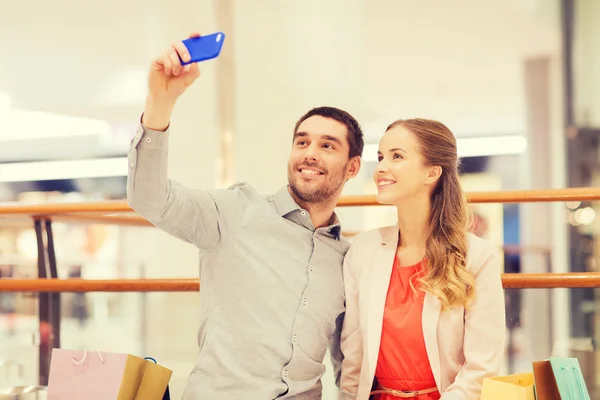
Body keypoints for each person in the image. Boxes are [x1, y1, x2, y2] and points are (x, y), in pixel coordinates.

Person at [127, 32, 364, 399]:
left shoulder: (349, 259)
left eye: (327, 145)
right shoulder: (234, 212)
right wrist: (160, 104)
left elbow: (347, 360)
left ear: (352, 168)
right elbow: (150, 198)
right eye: (302, 142)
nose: (309, 153)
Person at [339, 119, 505, 400]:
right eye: (380, 157)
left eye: (397, 156)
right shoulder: (363, 249)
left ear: (432, 172)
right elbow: (353, 358)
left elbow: (481, 368)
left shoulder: (477, 256)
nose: (380, 168)